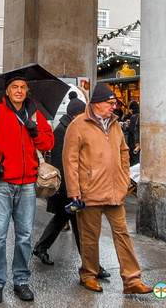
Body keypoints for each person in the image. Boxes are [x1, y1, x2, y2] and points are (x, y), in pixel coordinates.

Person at [0, 72, 54, 303]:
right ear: (7, 91)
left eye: (23, 87)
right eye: (14, 87)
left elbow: (48, 143)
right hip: (1, 184)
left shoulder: (35, 115)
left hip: (27, 185)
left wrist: (35, 131)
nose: (19, 90)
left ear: (27, 91)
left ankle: (21, 280)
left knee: (24, 236)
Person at [63, 83, 153, 296]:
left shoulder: (115, 124)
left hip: (115, 192)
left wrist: (124, 180)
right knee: (90, 237)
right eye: (110, 103)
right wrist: (74, 189)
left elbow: (124, 152)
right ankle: (88, 275)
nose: (114, 107)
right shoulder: (78, 125)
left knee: (123, 235)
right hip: (89, 192)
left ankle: (132, 280)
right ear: (96, 104)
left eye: (115, 103)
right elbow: (70, 160)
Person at [32, 93, 111, 279]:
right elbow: (61, 162)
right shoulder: (62, 130)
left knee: (62, 219)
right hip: (69, 190)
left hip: (75, 188)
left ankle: (40, 247)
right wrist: (71, 190)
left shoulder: (75, 128)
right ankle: (93, 266)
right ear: (75, 114)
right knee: (81, 228)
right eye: (83, 113)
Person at [122, 100, 141, 166]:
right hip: (139, 141)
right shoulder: (141, 116)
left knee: (133, 159)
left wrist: (125, 125)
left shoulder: (133, 117)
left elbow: (131, 129)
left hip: (133, 141)